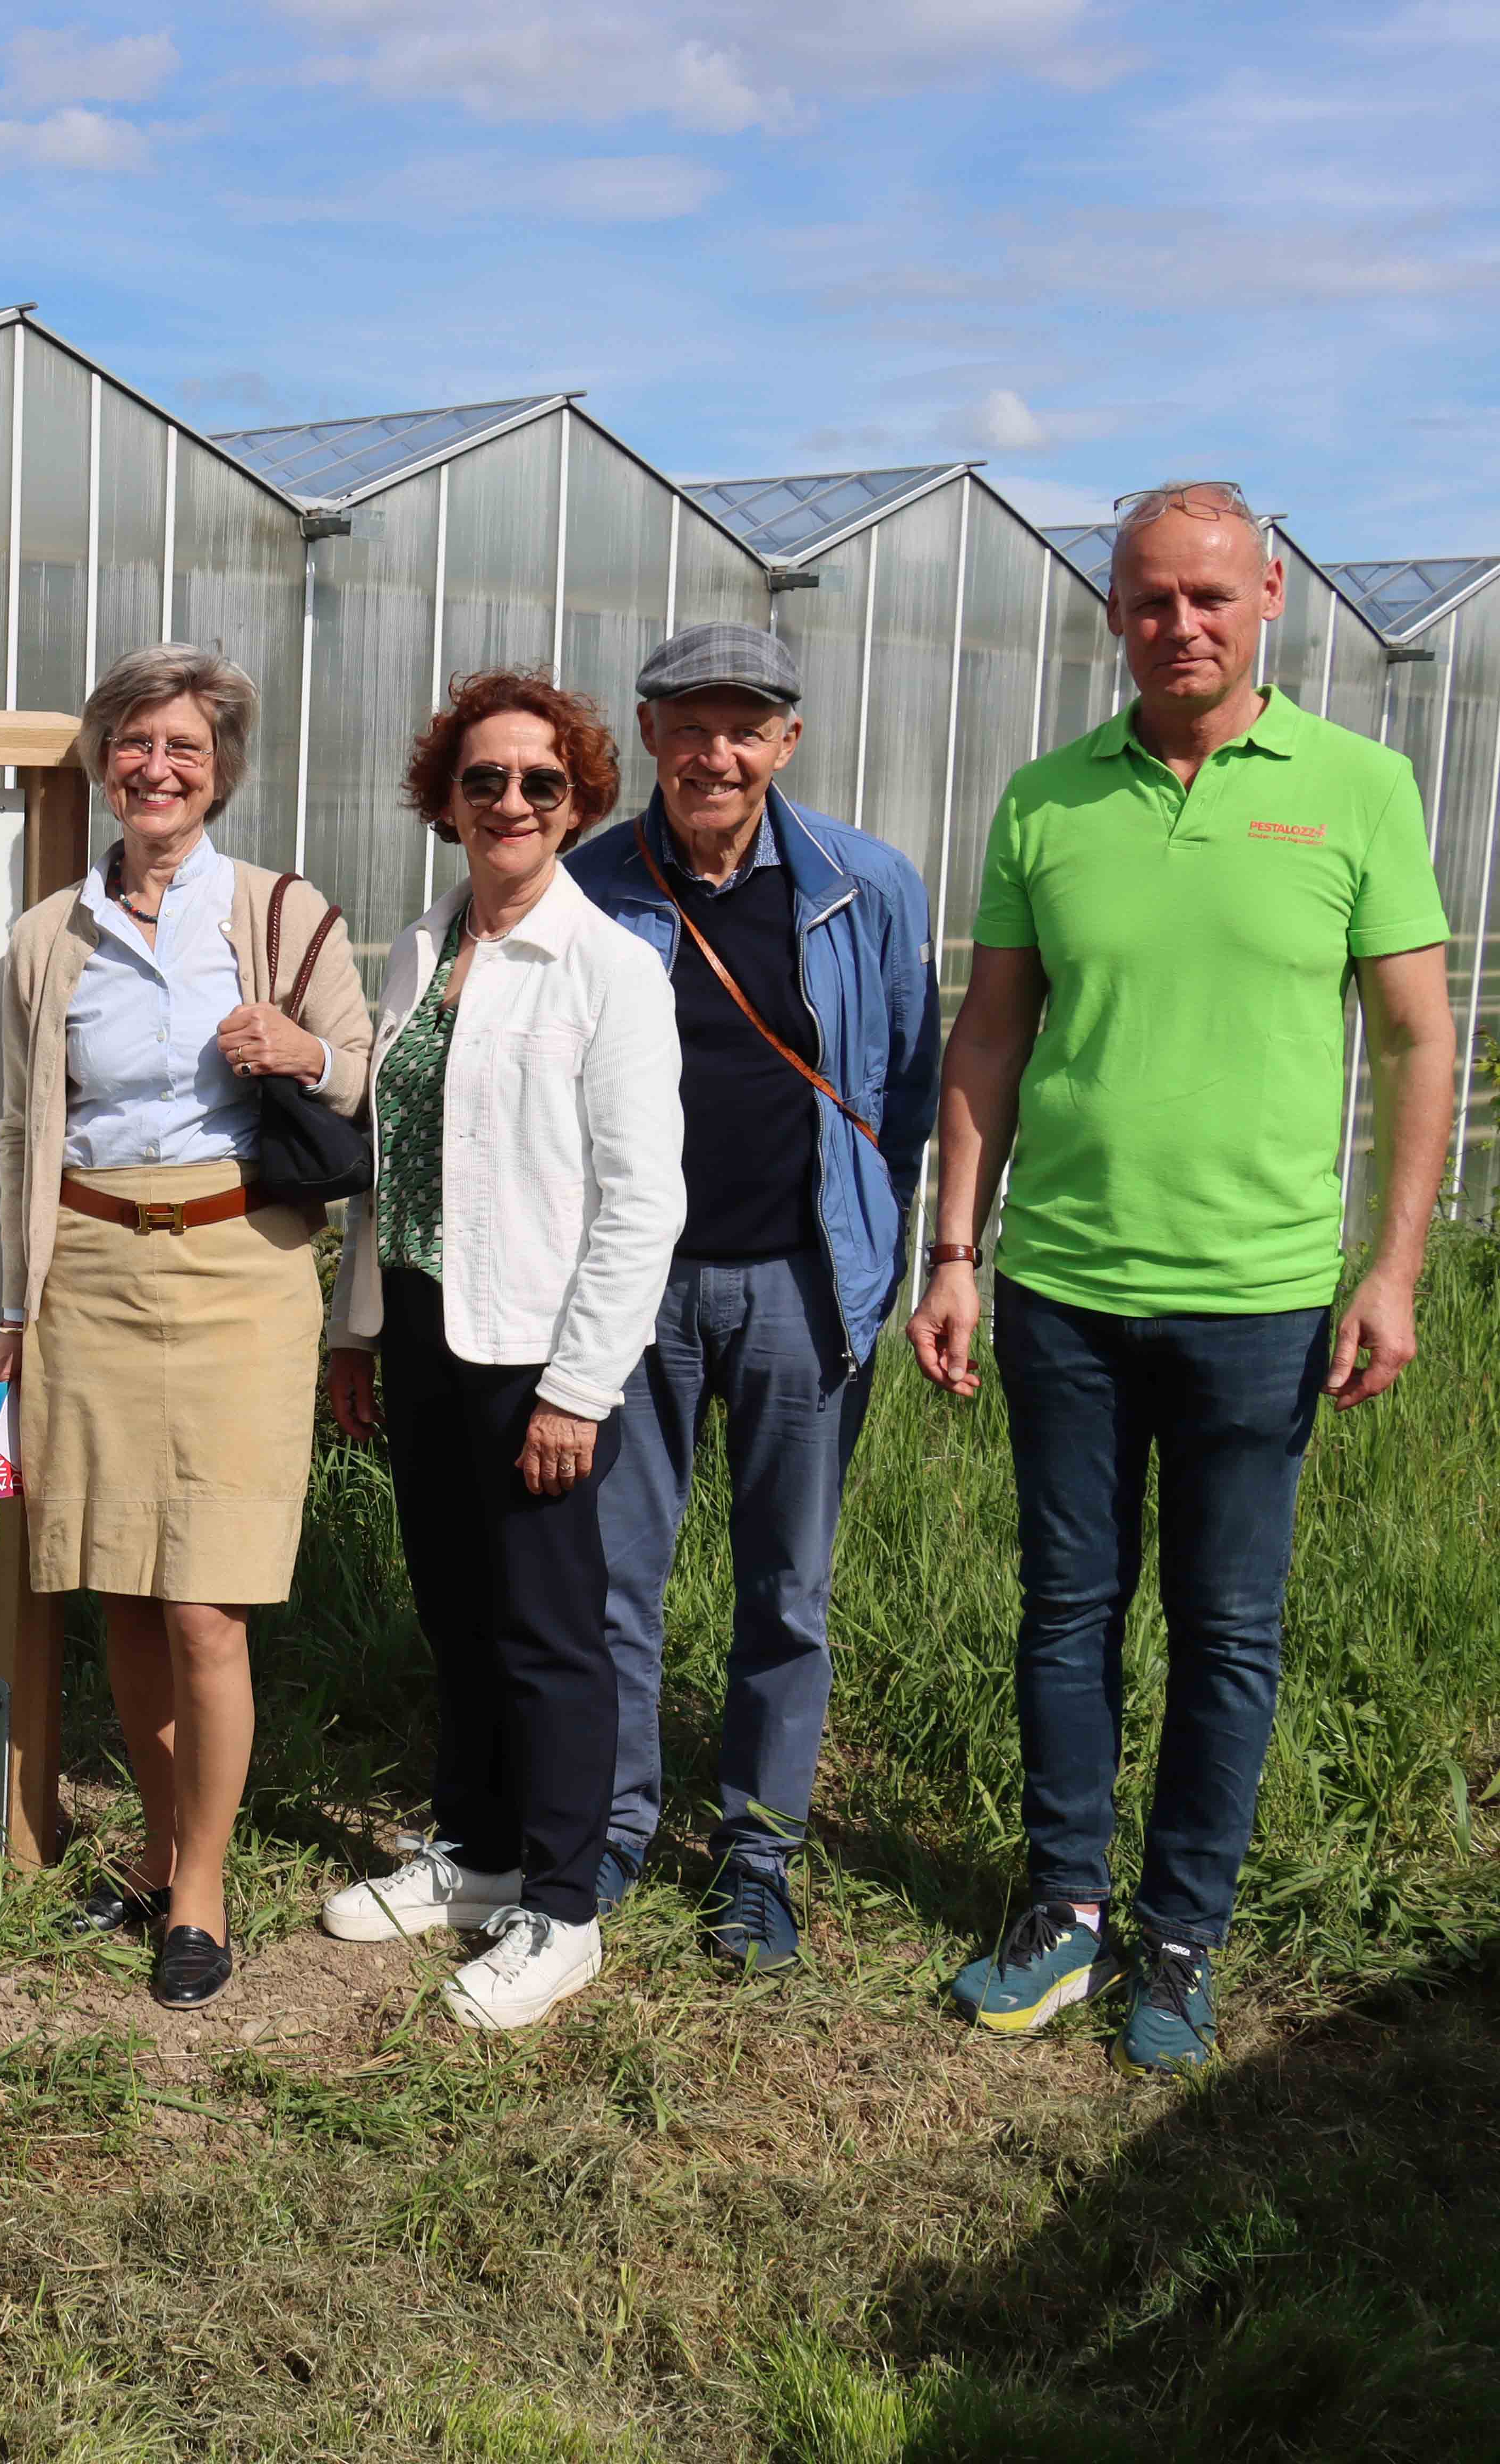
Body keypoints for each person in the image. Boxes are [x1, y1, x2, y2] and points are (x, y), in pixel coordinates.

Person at [908, 482, 1453, 2078]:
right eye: (1150, 599)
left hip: (1262, 1297)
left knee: (1226, 1625)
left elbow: (1419, 1039)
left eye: (1210, 595)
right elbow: (991, 1033)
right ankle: (1065, 1904)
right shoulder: (1045, 799)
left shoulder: (1356, 788)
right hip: (1061, 1285)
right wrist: (956, 1250)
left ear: (1269, 594)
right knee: (1065, 1605)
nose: (1180, 624)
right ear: (1113, 614)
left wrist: (1392, 1265)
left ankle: (1184, 1928)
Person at [0, 643, 374, 2009]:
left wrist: (299, 1051)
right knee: (121, 1583)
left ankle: (200, 1888)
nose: (157, 768)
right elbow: (20, 1127)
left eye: (185, 751)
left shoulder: (276, 914)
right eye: (135, 743)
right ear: (103, 761)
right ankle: (159, 1855)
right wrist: (12, 1301)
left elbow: (368, 1075)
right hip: (89, 1262)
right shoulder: (52, 936)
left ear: (219, 775)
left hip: (238, 1267)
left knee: (207, 1598)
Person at [562, 623, 938, 1970]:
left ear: (785, 740)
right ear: (649, 735)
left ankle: (758, 1852)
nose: (713, 752)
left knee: (788, 1581)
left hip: (798, 1280)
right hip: (630, 1286)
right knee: (616, 1571)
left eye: (743, 726)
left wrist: (879, 1246)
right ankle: (608, 1827)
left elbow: (903, 1081)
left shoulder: (861, 885)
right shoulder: (591, 883)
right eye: (687, 723)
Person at [320, 670, 683, 2031]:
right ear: (446, 800)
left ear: (581, 799)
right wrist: (356, 1324)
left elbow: (643, 1197)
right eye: (484, 780)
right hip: (424, 1321)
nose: (511, 801)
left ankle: (566, 1902)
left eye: (541, 781)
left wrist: (578, 1386)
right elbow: (389, 1159)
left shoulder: (609, 969)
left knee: (548, 1629)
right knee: (455, 1605)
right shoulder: (422, 949)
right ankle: (476, 1853)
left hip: (533, 1348)